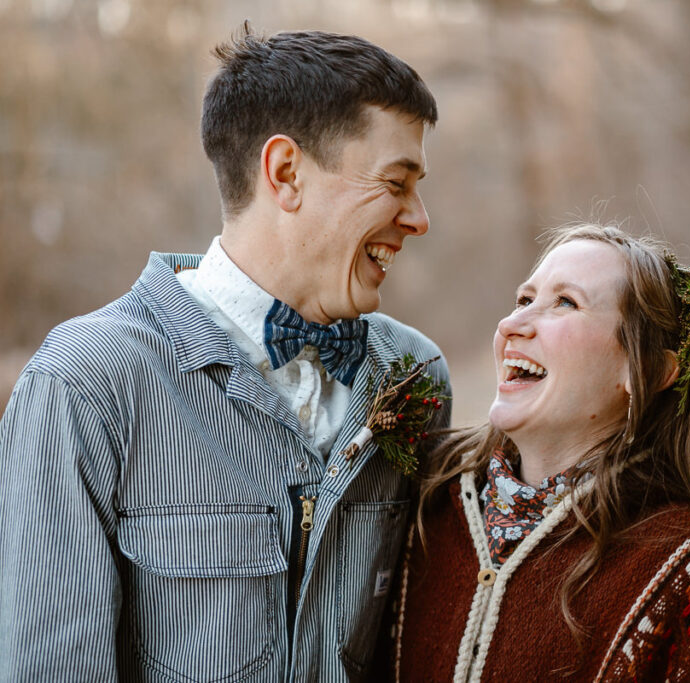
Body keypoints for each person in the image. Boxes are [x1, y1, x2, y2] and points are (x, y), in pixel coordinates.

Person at [0, 24, 449, 681]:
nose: (419, 217)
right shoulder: (87, 384)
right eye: (396, 182)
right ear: (286, 172)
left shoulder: (415, 378)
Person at [384, 224, 690, 681]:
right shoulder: (417, 498)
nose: (510, 324)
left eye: (565, 302)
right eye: (525, 300)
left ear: (646, 370)